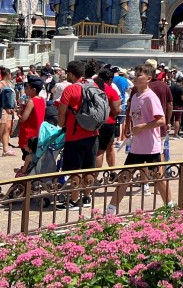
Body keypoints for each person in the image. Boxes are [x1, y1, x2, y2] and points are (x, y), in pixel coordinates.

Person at [106, 65, 170, 214]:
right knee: (124, 178)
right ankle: (110, 211)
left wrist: (142, 127)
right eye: (135, 74)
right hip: (137, 147)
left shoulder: (150, 97)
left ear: (148, 78)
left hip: (151, 146)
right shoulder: (135, 96)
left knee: (159, 179)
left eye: (139, 75)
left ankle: (170, 207)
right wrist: (130, 127)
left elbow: (161, 120)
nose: (135, 77)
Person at [55, 60, 100, 209]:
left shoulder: (70, 89)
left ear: (71, 73)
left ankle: (74, 200)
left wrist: (61, 124)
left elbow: (62, 111)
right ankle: (87, 198)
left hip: (74, 135)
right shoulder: (93, 86)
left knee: (75, 169)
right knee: (89, 167)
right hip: (93, 133)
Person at [15, 76, 46, 177]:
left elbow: (23, 118)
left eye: (27, 87)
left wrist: (18, 113)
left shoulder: (31, 101)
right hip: (38, 133)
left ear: (33, 89)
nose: (25, 89)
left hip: (29, 134)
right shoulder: (42, 100)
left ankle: (26, 173)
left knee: (27, 157)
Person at [94, 67, 122, 168]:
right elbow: (116, 110)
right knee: (102, 151)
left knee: (97, 150)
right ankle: (108, 171)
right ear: (110, 80)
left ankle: (92, 175)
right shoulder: (111, 90)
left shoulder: (91, 88)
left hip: (92, 122)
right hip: (107, 123)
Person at [0, 68, 16, 157]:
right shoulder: (0, 84)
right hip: (2, 108)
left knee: (7, 129)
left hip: (9, 109)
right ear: (8, 74)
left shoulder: (9, 84)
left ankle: (5, 150)